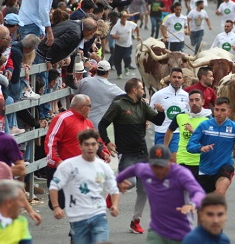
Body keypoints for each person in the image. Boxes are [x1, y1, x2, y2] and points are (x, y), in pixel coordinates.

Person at [116, 144, 205, 244]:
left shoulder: (181, 174)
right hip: (158, 231)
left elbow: (199, 193)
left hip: (182, 233)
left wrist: (192, 204)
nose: (158, 170)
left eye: (162, 166)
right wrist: (119, 180)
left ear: (170, 161)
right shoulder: (144, 170)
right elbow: (132, 170)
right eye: (155, 166)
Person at [99, 78, 165, 234]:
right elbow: (102, 124)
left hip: (142, 152)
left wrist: (161, 112)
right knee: (131, 182)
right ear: (134, 90)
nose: (143, 91)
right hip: (126, 152)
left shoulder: (142, 105)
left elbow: (158, 121)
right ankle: (112, 192)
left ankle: (136, 221)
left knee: (144, 189)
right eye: (141, 88)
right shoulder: (118, 105)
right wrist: (107, 142)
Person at [49, 129, 120, 244]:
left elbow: (113, 189)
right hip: (77, 218)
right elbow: (54, 186)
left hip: (98, 215)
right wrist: (56, 207)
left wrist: (114, 205)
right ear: (80, 146)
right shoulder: (68, 165)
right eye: (86, 144)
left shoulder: (103, 167)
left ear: (98, 146)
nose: (90, 147)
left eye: (93, 144)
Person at [45, 95, 111, 212]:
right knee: (58, 204)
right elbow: (50, 142)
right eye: (89, 106)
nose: (91, 108)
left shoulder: (88, 123)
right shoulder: (62, 119)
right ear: (81, 107)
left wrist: (103, 152)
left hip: (81, 170)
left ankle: (76, 229)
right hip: (61, 168)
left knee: (80, 202)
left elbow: (96, 140)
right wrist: (57, 161)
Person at [186, 96, 235, 195]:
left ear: (229, 112)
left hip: (224, 166)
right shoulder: (204, 126)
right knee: (205, 206)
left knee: (220, 193)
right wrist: (201, 148)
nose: (219, 113)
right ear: (213, 110)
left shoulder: (234, 127)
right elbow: (190, 146)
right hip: (205, 169)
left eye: (223, 110)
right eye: (217, 110)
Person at [36, 17, 98, 89]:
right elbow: (56, 44)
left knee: (45, 83)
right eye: (92, 34)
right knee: (41, 85)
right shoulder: (75, 34)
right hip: (42, 54)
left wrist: (56, 59)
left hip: (43, 51)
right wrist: (48, 60)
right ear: (90, 31)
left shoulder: (74, 23)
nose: (91, 36)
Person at [165, 89, 212, 177]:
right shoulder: (180, 116)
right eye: (191, 100)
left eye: (197, 100)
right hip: (183, 160)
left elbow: (210, 141)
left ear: (203, 101)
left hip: (201, 162)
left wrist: (194, 132)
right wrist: (165, 147)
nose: (194, 103)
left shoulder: (208, 119)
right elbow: (169, 131)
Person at [150, 68, 189, 158]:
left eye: (179, 77)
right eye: (174, 77)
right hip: (161, 132)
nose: (176, 80)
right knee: (160, 162)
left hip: (177, 133)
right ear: (170, 78)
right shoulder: (159, 95)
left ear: (183, 80)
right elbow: (149, 111)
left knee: (174, 161)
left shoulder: (187, 96)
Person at [75, 60, 125, 129]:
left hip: (80, 123)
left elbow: (75, 94)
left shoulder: (85, 81)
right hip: (97, 126)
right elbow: (128, 96)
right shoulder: (111, 88)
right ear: (108, 72)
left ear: (96, 70)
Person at [109, 11, 140, 79]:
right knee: (117, 60)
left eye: (125, 17)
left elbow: (137, 27)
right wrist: (116, 37)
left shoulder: (130, 24)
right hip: (119, 46)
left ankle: (126, 66)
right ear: (121, 18)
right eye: (123, 17)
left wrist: (138, 36)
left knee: (127, 57)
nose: (124, 19)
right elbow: (111, 34)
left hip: (128, 45)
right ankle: (119, 73)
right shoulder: (117, 26)